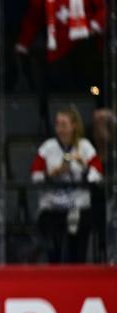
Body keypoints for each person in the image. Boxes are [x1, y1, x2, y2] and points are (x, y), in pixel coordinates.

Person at [16, 0, 107, 93]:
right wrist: (23, 43)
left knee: (93, 80)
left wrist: (94, 26)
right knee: (58, 78)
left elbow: (102, 9)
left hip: (84, 42)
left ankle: (96, 95)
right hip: (57, 44)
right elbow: (33, 18)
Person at [31, 107, 104, 263]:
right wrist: (53, 173)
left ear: (74, 125)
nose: (60, 129)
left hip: (78, 207)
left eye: (64, 124)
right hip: (52, 207)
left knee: (78, 250)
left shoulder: (84, 146)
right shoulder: (48, 147)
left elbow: (97, 175)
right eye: (57, 124)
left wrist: (84, 166)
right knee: (52, 245)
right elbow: (36, 176)